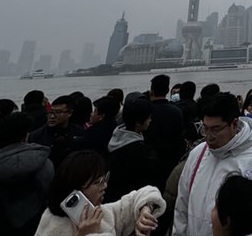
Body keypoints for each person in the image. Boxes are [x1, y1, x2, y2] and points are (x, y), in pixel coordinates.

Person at [173, 93, 252, 236]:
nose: (209, 136)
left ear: (234, 124)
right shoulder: (198, 154)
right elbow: (182, 206)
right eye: (205, 128)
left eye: (215, 129)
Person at [34, 149, 163, 236]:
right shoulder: (54, 227)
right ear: (76, 189)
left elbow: (136, 198)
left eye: (104, 179)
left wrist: (145, 209)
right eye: (98, 182)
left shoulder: (96, 212)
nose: (105, 185)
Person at [106, 97, 159, 201]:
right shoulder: (139, 152)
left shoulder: (115, 138)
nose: (150, 120)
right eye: (148, 118)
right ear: (138, 122)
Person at [144, 75, 185, 188]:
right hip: (171, 162)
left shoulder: (147, 111)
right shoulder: (176, 111)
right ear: (167, 91)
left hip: (150, 164)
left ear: (152, 91)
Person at [29, 95, 84, 168]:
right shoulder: (37, 135)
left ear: (70, 113)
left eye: (58, 112)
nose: (52, 116)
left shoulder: (78, 131)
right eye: (50, 112)